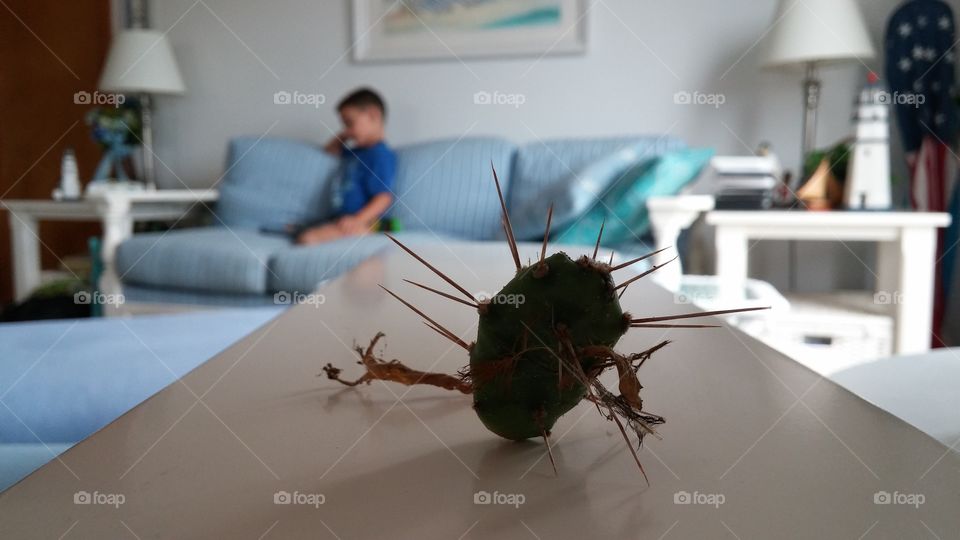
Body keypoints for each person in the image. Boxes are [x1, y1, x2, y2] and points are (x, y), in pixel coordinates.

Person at [297, 88, 397, 245]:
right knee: (301, 231)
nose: (347, 130)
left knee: (308, 239)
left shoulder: (380, 155)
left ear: (373, 115)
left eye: (350, 123)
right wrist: (345, 134)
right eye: (344, 125)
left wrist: (358, 220)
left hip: (364, 222)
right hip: (340, 219)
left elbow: (383, 198)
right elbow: (329, 151)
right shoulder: (355, 152)